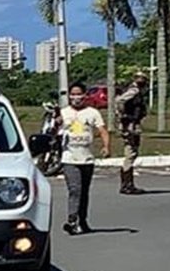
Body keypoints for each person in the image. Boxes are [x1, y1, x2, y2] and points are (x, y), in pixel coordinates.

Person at [59, 81, 111, 235]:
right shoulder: (63, 112)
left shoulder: (92, 112)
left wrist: (106, 146)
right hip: (69, 158)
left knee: (84, 191)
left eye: (79, 94)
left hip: (87, 158)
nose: (76, 97)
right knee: (75, 189)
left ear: (85, 95)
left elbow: (102, 130)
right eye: (73, 94)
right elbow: (54, 130)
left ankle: (83, 219)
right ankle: (72, 220)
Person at [115, 72, 149, 194]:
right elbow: (120, 101)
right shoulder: (133, 91)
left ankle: (128, 183)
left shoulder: (136, 91)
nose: (142, 80)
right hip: (130, 125)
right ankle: (127, 185)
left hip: (133, 123)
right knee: (130, 152)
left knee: (132, 152)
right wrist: (123, 116)